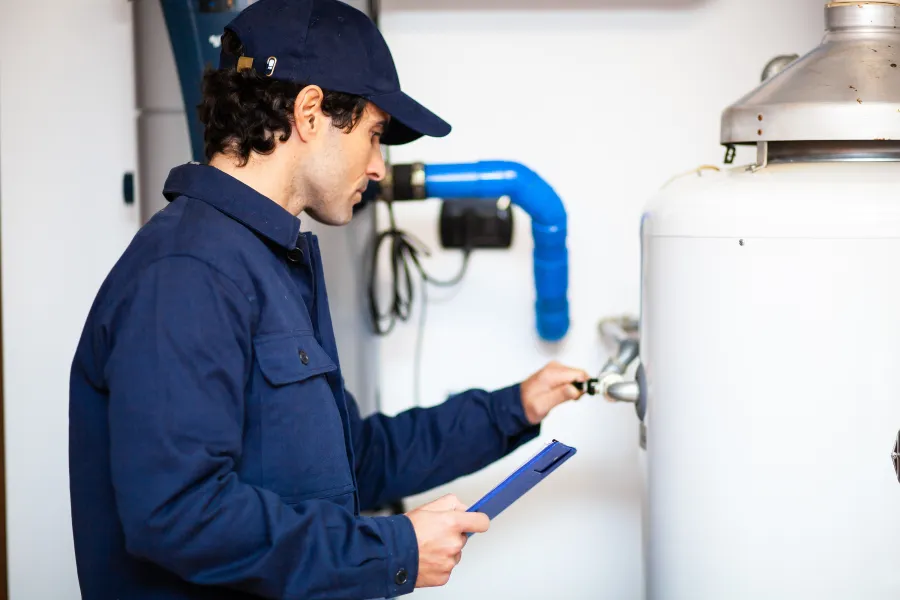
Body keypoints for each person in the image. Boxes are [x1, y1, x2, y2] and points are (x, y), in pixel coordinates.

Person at [68, 0, 589, 598]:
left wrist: (514, 408)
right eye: (372, 135)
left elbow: (355, 458)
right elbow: (180, 514)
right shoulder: (187, 272)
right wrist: (394, 550)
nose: (377, 167)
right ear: (310, 112)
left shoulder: (267, 264)